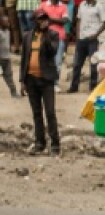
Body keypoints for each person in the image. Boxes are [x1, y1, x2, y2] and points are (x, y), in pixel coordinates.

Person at [19, 11, 61, 156]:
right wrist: (22, 81)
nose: (44, 22)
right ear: (35, 21)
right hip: (31, 80)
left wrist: (46, 34)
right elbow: (24, 59)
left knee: (50, 112)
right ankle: (39, 143)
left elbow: (53, 51)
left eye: (45, 19)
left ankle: (55, 144)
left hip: (46, 80)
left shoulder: (53, 35)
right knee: (37, 113)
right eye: (40, 19)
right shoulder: (27, 36)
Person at [69, 0, 105, 93]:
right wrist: (77, 35)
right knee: (77, 64)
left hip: (92, 40)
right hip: (81, 39)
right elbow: (78, 20)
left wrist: (96, 35)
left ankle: (93, 87)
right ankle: (74, 87)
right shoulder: (82, 5)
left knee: (93, 64)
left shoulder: (99, 6)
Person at [39, 0, 69, 86]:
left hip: (59, 37)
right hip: (44, 37)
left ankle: (55, 84)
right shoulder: (43, 5)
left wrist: (49, 19)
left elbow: (64, 21)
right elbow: (37, 18)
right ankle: (45, 81)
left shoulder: (63, 6)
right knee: (44, 60)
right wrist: (55, 20)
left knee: (57, 62)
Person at [0, 11, 16, 97]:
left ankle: (13, 92)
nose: (8, 23)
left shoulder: (8, 32)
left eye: (8, 21)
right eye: (6, 22)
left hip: (7, 58)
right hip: (1, 58)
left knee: (9, 75)